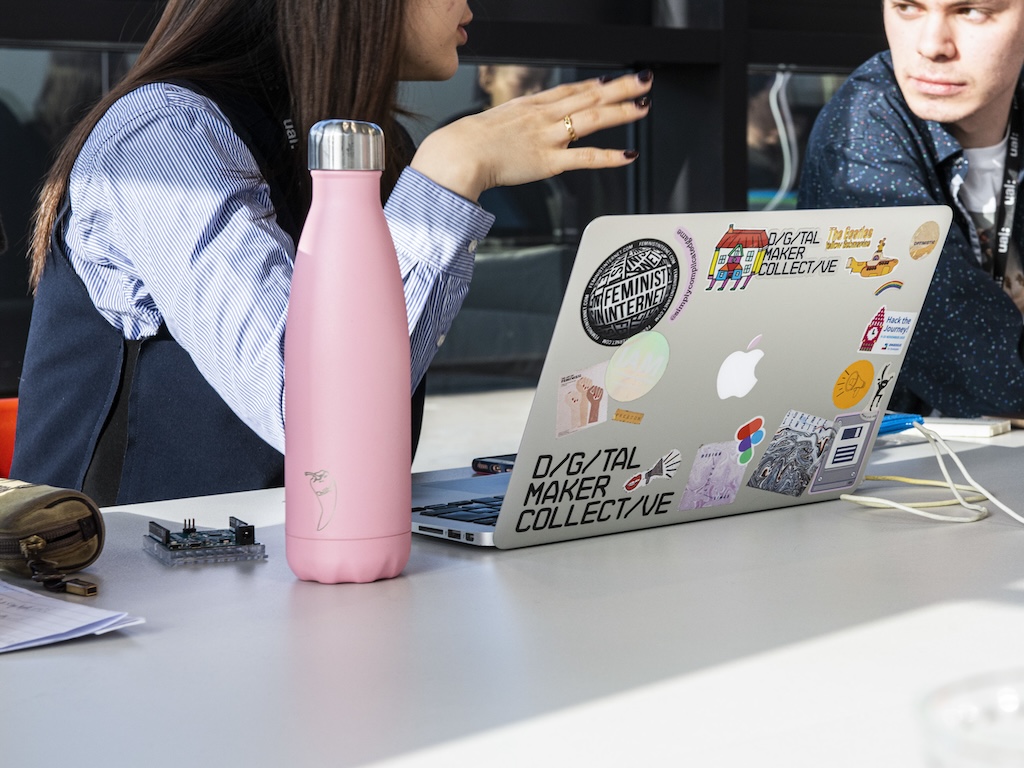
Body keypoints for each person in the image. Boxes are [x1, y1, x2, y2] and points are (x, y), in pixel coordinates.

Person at [10, 0, 652, 505]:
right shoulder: (166, 138)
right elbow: (317, 418)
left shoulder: (371, 144)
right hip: (124, 606)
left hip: (295, 581)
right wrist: (451, 174)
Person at [799, 0, 1024, 417]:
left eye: (971, 11)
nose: (931, 45)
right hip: (904, 468)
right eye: (907, 7)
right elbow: (985, 370)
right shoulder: (858, 129)